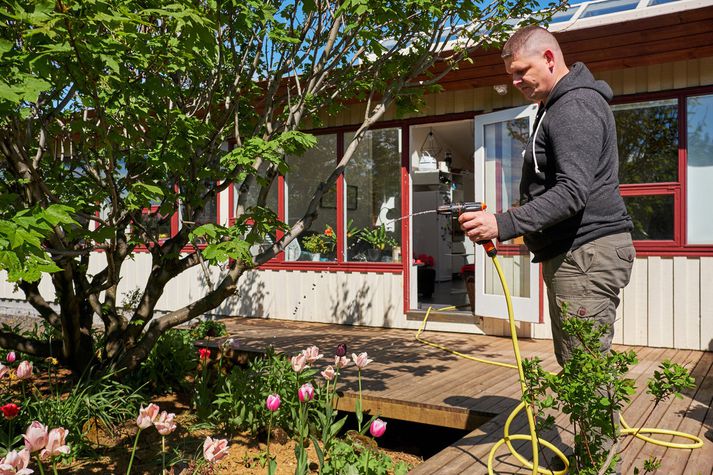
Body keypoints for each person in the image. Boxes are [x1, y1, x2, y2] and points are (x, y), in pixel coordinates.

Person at [458, 25, 635, 470]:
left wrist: (503, 223)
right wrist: (510, 218)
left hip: (587, 253)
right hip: (577, 252)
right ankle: (594, 456)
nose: (516, 82)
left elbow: (573, 191)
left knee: (586, 368)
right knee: (580, 363)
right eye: (511, 75)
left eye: (522, 72)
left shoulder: (572, 107)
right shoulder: (557, 107)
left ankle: (597, 466)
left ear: (550, 59)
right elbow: (558, 189)